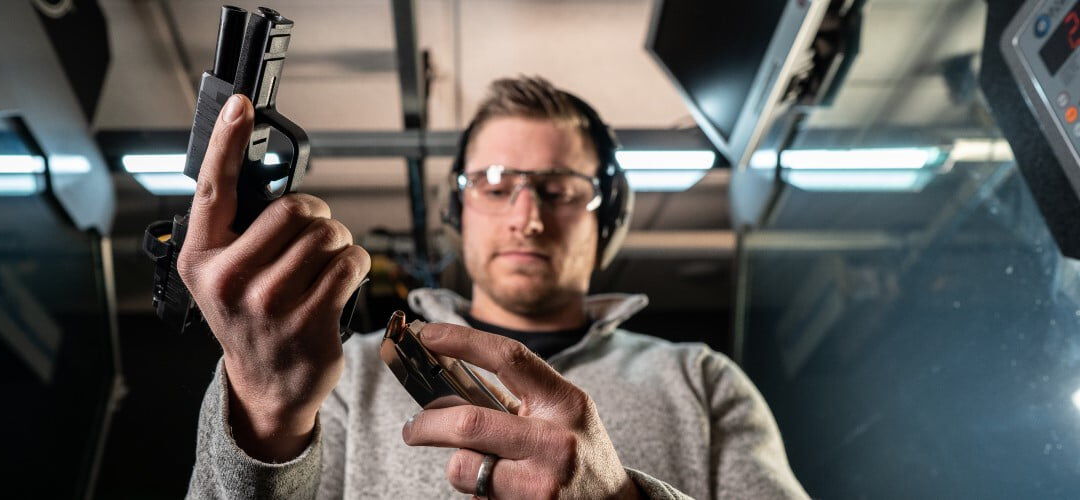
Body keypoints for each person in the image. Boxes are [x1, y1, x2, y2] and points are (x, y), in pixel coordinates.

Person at [181, 76, 808, 499]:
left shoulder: (702, 381)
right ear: (458, 211)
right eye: (496, 184)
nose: (526, 216)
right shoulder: (349, 377)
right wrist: (262, 410)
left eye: (560, 189)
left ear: (607, 217)